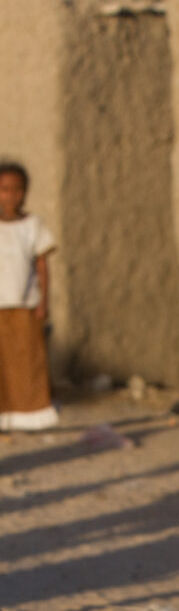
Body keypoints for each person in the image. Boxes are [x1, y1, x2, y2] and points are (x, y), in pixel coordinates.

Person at [0, 161, 58, 432]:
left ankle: (31, 417)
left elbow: (42, 266)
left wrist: (44, 302)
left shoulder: (33, 225)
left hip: (25, 304)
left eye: (17, 189)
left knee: (27, 363)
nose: (11, 195)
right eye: (4, 189)